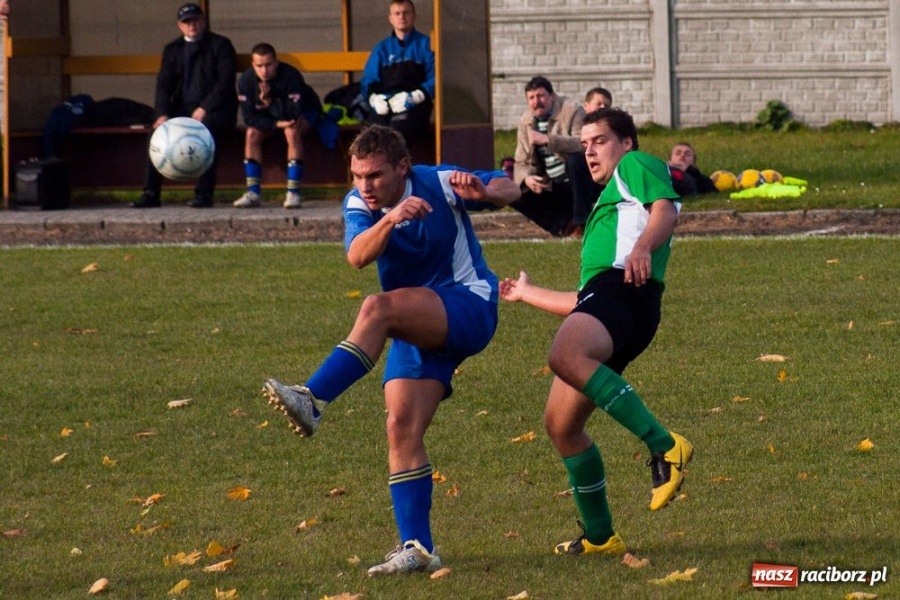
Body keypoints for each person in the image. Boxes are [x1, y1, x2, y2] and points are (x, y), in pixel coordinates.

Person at [261, 125, 520, 576]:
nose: (365, 185)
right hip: (416, 320)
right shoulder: (362, 204)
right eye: (358, 175)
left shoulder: (438, 181)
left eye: (376, 175)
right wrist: (391, 217)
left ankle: (313, 398)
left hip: (468, 303)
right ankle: (418, 548)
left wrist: (484, 189)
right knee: (400, 428)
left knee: (376, 309)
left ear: (403, 167)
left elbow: (510, 186)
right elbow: (357, 256)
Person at [499, 107, 694, 557]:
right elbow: (583, 301)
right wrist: (527, 293)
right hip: (611, 300)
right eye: (584, 143)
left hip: (626, 294)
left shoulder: (636, 166)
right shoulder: (608, 210)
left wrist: (645, 245)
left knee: (565, 355)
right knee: (561, 425)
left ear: (626, 142)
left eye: (599, 140)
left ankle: (666, 447)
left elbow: (665, 211)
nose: (589, 150)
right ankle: (601, 536)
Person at [133, 3, 237, 208]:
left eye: (196, 20)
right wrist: (161, 114)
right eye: (187, 22)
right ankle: (151, 193)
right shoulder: (172, 49)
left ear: (204, 21)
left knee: (204, 133)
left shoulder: (221, 45)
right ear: (180, 26)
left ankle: (204, 194)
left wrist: (204, 108)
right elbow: (163, 84)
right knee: (156, 135)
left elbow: (225, 82)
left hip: (215, 111)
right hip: (181, 109)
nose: (192, 25)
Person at [512, 76, 602, 238]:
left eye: (541, 96)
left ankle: (582, 222)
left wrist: (548, 140)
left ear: (552, 96)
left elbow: (583, 143)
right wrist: (527, 179)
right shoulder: (526, 121)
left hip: (583, 181)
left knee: (576, 160)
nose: (536, 101)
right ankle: (564, 227)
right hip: (552, 183)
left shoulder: (572, 110)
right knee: (512, 191)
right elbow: (521, 161)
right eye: (531, 98)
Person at [234, 43, 320, 209]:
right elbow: (249, 118)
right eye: (259, 66)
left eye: (268, 65)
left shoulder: (291, 76)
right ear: (253, 65)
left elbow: (293, 116)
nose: (264, 70)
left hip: (305, 113)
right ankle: (253, 193)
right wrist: (275, 123)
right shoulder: (246, 80)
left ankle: (293, 193)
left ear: (276, 63)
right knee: (251, 133)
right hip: (274, 120)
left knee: (291, 131)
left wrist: (270, 101)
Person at [361, 0, 435, 143]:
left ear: (414, 16)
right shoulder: (381, 49)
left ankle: (398, 166)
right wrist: (374, 99)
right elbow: (368, 80)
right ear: (391, 18)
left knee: (396, 133)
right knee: (371, 134)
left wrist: (415, 96)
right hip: (386, 104)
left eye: (406, 13)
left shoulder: (426, 45)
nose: (402, 17)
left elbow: (436, 77)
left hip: (415, 105)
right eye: (397, 13)